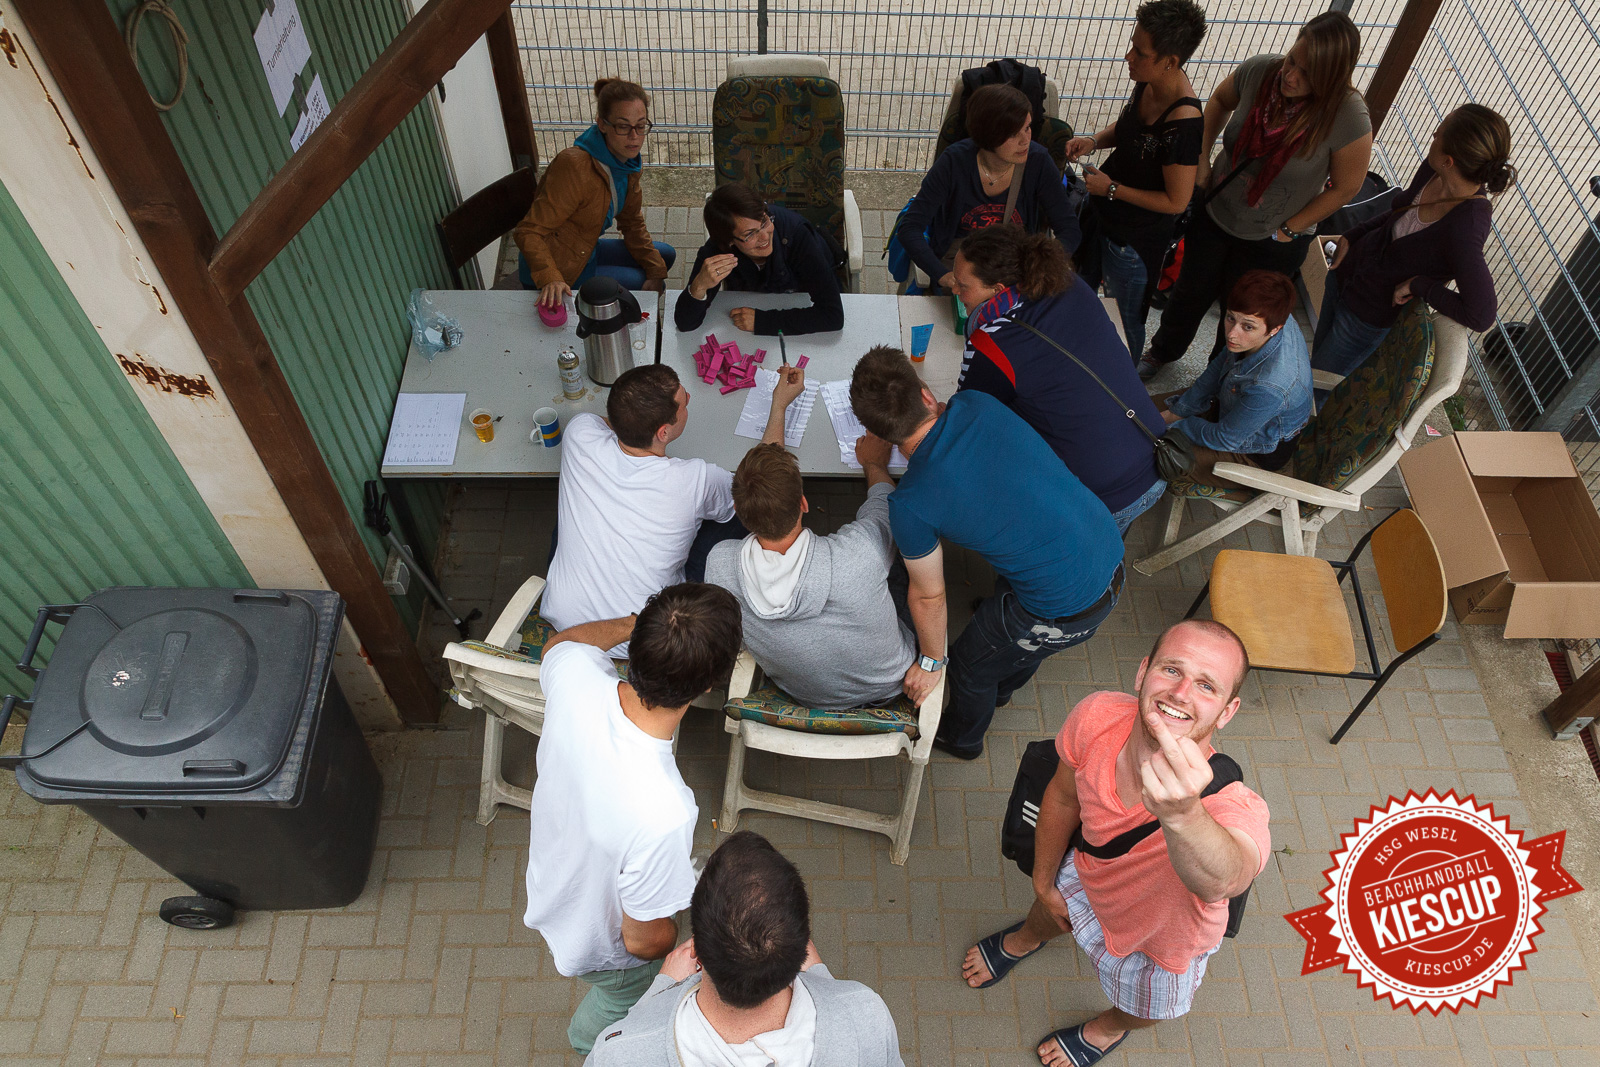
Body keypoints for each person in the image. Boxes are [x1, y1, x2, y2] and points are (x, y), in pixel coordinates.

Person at [960, 619, 1269, 1067]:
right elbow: (1064, 796)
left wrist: (1184, 813)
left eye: (1206, 685)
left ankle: (1106, 1029)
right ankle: (1024, 940)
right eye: (1171, 670)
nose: (1181, 694)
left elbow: (1226, 877)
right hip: (1087, 873)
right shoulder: (1098, 714)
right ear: (1143, 673)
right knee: (1047, 910)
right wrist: (1044, 883)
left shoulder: (1233, 803)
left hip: (1159, 944)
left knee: (1146, 1007)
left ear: (1226, 711)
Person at [849, 346, 1125, 760]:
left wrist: (930, 662)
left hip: (1064, 608)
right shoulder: (976, 403)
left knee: (969, 666)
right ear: (926, 396)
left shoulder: (910, 505)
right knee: (1014, 646)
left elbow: (928, 597)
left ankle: (962, 738)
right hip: (1107, 550)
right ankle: (1005, 684)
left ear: (881, 434)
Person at [523, 584, 743, 1057]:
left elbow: (559, 646)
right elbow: (642, 940)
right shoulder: (665, 810)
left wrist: (637, 626)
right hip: (603, 945)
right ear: (708, 685)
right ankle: (591, 1047)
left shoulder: (574, 674)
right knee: (618, 1003)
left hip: (553, 884)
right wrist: (683, 936)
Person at [1137, 11, 1373, 381]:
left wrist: (1291, 228)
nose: (1290, 77)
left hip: (1272, 240)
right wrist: (1200, 162)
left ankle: (1217, 378)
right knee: (1189, 292)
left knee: (1242, 314)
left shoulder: (1349, 115)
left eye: (1308, 74)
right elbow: (1217, 101)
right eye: (1292, 60)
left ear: (1332, 77)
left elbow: (1348, 187)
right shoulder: (1261, 71)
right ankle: (1162, 351)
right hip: (1216, 213)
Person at [541, 361, 806, 656]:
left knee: (572, 509)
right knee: (743, 506)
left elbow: (614, 423)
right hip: (646, 637)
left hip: (565, 622)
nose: (689, 399)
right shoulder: (695, 480)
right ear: (664, 432)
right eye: (683, 402)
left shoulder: (579, 431)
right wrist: (779, 405)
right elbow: (765, 480)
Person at [585, 831, 905, 1066]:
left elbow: (639, 1035)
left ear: (696, 946)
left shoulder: (618, 1052)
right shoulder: (866, 1014)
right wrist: (821, 977)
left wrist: (661, 988)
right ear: (801, 948)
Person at [951, 225, 1166, 533]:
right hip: (1154, 458)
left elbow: (966, 424)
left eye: (962, 285)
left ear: (997, 290)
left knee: (1044, 570)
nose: (955, 291)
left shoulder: (992, 344)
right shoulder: (1068, 284)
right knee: (1103, 558)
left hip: (1102, 495)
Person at [705, 437, 915, 709]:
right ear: (804, 503)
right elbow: (885, 505)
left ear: (738, 511)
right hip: (889, 686)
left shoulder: (720, 564)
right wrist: (874, 463)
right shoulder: (860, 552)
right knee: (905, 559)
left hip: (805, 695)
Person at [1313, 103, 1515, 379]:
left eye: (1438, 135)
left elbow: (1481, 314)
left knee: (1319, 383)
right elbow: (1398, 215)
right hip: (1345, 273)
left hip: (1366, 316)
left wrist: (1421, 285)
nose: (1433, 134)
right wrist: (1354, 234)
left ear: (1450, 160)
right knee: (1315, 361)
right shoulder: (1434, 171)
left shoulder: (1465, 229)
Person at [1067, 0, 1208, 359]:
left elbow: (1176, 202)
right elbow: (1129, 130)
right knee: (1078, 294)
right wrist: (1095, 140)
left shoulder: (1184, 122)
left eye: (1139, 52)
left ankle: (1124, 384)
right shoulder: (1148, 82)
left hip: (1133, 240)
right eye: (1132, 45)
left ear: (1170, 61)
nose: (1128, 56)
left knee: (1126, 322)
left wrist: (1112, 189)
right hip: (1102, 215)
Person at [898, 84, 1082, 294]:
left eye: (1028, 128)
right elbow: (910, 227)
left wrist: (1041, 266)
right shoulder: (954, 162)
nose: (1026, 140)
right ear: (989, 135)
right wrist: (942, 275)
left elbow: (1069, 229)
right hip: (961, 263)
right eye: (1014, 134)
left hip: (1014, 266)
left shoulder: (1038, 161)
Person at [513, 78, 677, 307]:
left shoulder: (626, 164)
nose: (634, 136)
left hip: (586, 249)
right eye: (622, 126)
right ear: (602, 124)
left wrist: (656, 269)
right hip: (561, 269)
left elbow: (631, 222)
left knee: (664, 257)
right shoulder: (574, 167)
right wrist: (550, 277)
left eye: (640, 125)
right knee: (642, 284)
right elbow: (528, 231)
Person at [1158, 270, 1312, 487]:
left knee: (1154, 454)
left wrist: (1176, 426)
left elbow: (1225, 438)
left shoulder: (1270, 385)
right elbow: (1222, 362)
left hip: (1254, 450)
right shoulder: (1271, 316)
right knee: (1138, 411)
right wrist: (1177, 411)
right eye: (1230, 318)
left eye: (1247, 326)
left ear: (1275, 329)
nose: (1232, 334)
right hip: (1232, 406)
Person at [674, 182, 845, 336]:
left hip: (801, 297)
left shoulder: (798, 235)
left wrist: (762, 321)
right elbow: (685, 324)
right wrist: (699, 286)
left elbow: (833, 316)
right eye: (750, 234)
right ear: (729, 242)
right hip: (753, 306)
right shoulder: (717, 249)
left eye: (764, 222)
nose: (764, 236)